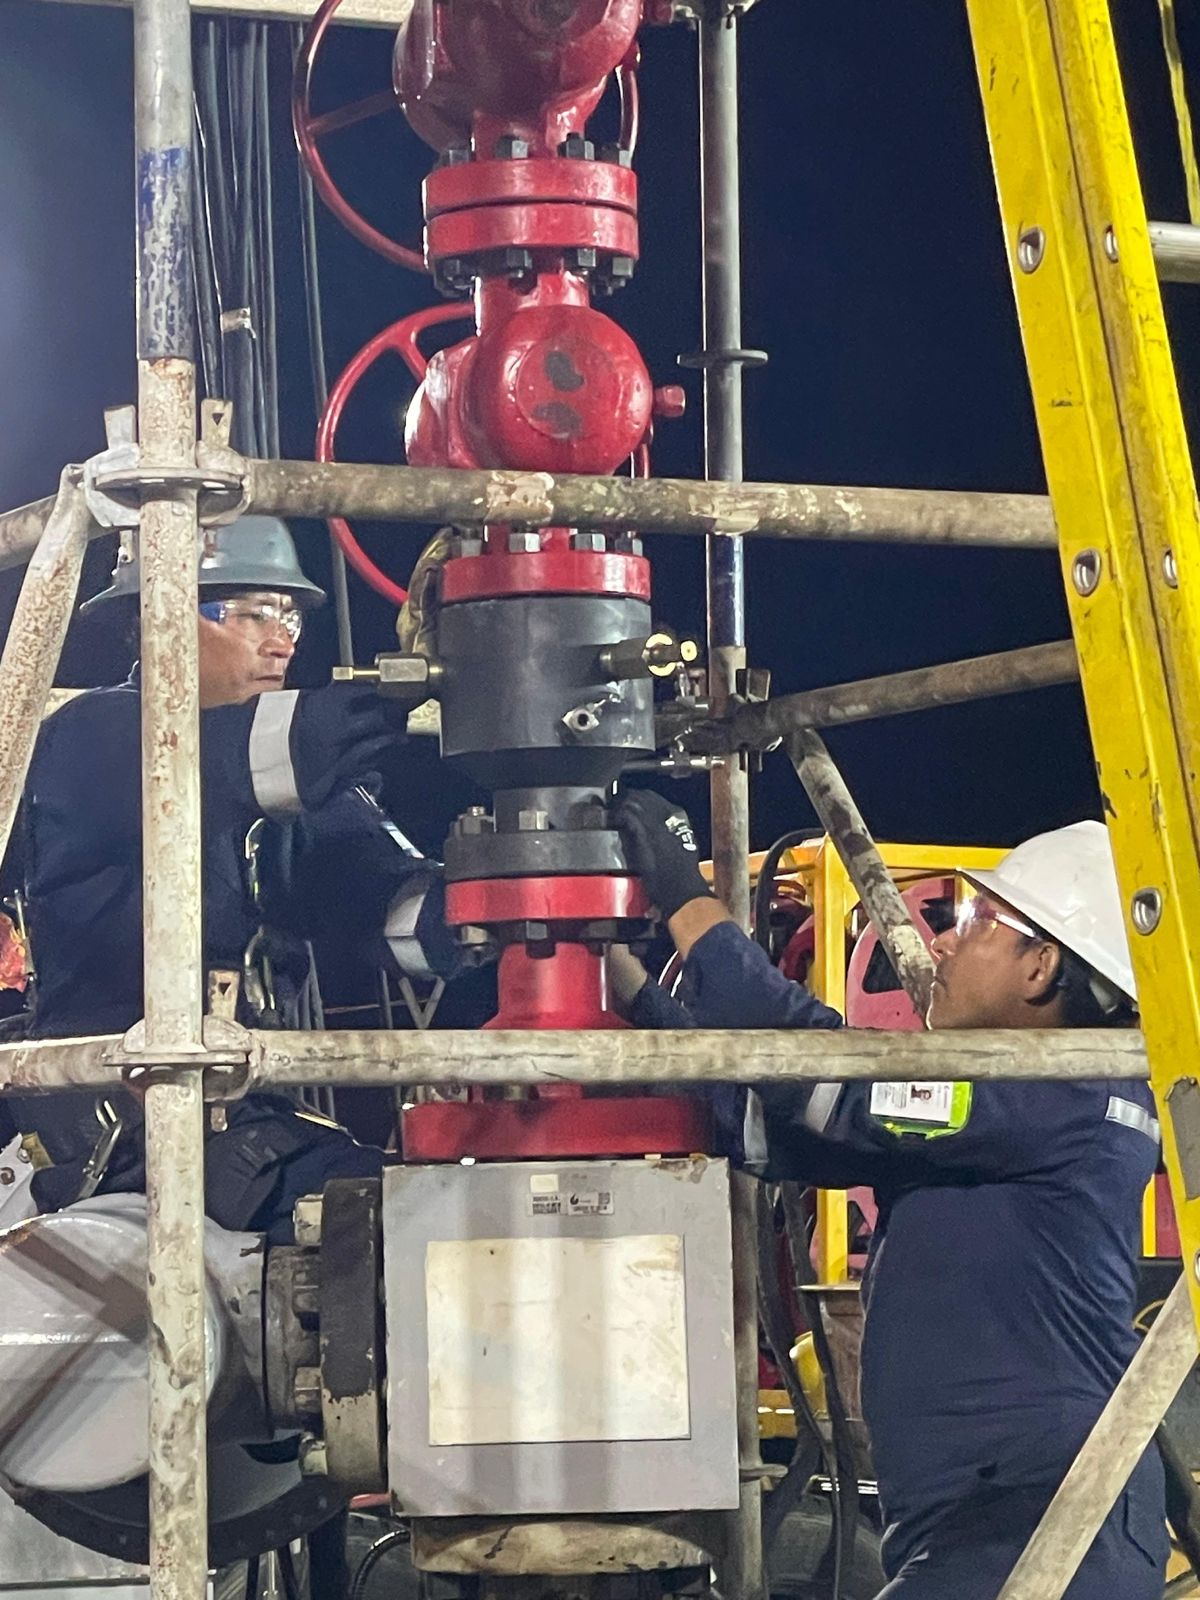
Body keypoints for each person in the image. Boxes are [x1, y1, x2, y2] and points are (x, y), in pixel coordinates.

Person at [613, 789, 1167, 1600]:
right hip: (992, 1516)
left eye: (976, 921)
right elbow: (784, 1121)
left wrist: (684, 898)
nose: (942, 939)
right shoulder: (1008, 1114)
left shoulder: (1059, 1090)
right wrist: (627, 993)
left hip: (1044, 1519)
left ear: (1041, 966)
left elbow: (815, 1068)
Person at [4, 515, 459, 1240]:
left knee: (449, 1208)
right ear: (155, 619)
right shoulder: (92, 738)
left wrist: (515, 885)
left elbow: (397, 916)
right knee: (388, 1228)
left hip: (246, 1116)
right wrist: (423, 682)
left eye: (291, 618)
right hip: (114, 1129)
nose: (282, 642)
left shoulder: (296, 792)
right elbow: (239, 756)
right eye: (252, 613)